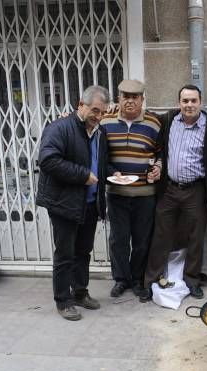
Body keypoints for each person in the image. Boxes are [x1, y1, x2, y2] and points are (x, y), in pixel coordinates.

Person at [36, 85, 115, 321]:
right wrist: (82, 175)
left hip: (89, 204)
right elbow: (48, 160)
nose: (98, 116)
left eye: (103, 112)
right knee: (65, 254)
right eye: (95, 111)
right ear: (81, 105)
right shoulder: (59, 127)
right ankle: (63, 301)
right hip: (64, 204)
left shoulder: (98, 133)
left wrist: (114, 173)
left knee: (83, 251)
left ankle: (80, 292)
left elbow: (98, 165)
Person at [143, 84, 207, 299]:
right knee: (161, 236)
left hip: (196, 190)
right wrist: (111, 109)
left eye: (193, 101)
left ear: (200, 102)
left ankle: (192, 280)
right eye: (185, 101)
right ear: (178, 103)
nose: (189, 105)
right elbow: (142, 116)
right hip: (169, 189)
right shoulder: (168, 120)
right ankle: (150, 281)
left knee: (195, 237)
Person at [102, 80, 163, 301]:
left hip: (145, 195)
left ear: (142, 99)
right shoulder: (105, 120)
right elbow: (101, 157)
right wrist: (113, 172)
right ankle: (120, 279)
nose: (129, 100)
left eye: (134, 97)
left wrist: (157, 168)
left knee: (141, 240)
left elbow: (161, 153)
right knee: (118, 239)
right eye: (125, 96)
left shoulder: (154, 123)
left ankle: (138, 279)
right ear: (118, 98)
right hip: (116, 193)